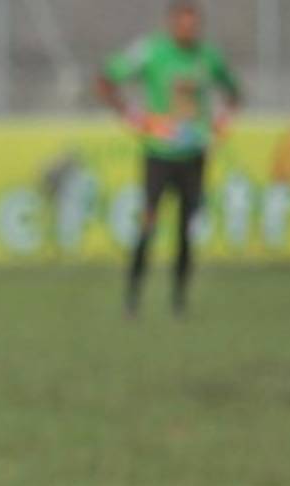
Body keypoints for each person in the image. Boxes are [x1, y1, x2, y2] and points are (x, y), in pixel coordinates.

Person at [97, 0, 240, 317]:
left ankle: (179, 299)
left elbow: (233, 91)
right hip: (159, 154)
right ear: (172, 23)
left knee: (186, 229)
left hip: (193, 155)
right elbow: (106, 79)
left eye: (193, 24)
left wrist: (221, 124)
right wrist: (133, 117)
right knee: (148, 223)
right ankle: (133, 295)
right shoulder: (151, 51)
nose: (188, 30)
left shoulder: (208, 56)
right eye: (182, 23)